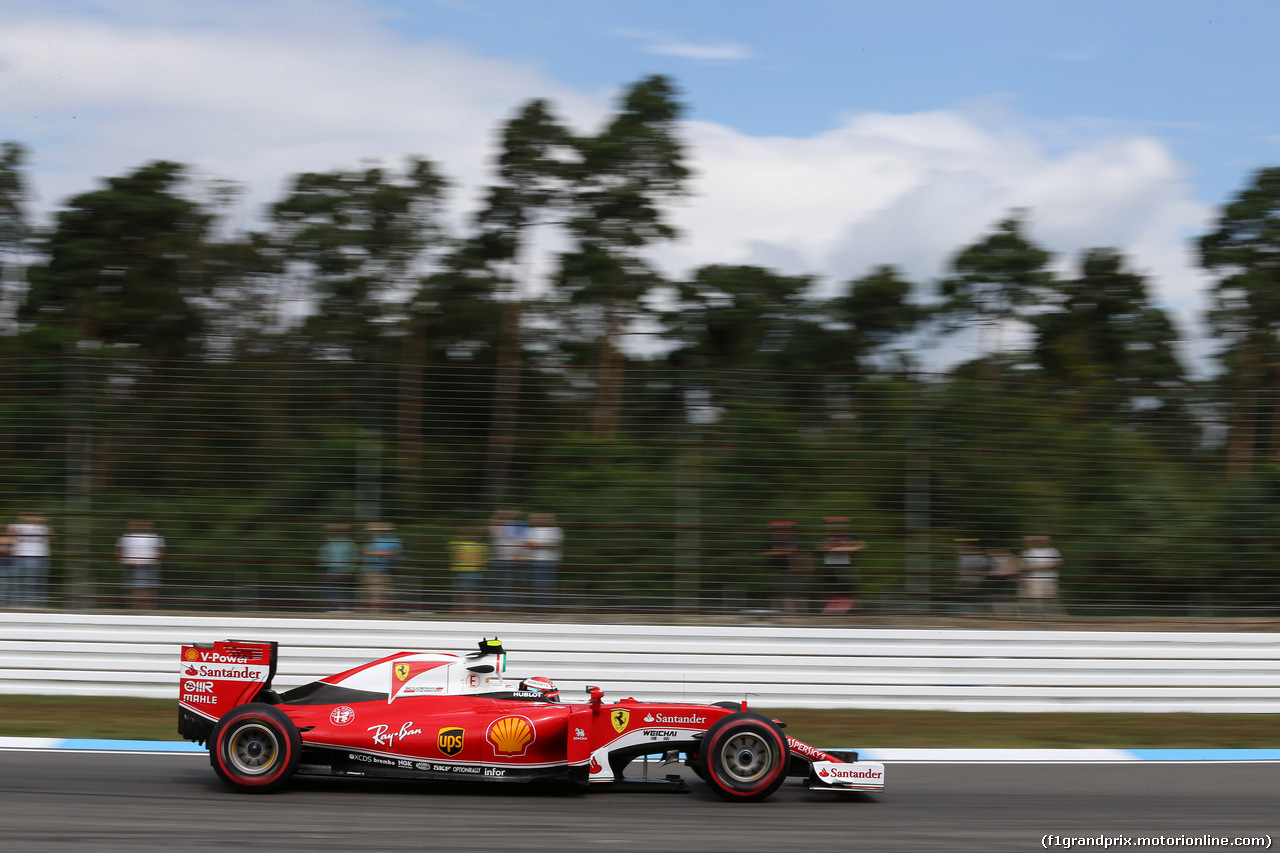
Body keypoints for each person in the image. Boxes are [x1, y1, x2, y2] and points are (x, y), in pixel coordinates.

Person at [816, 517, 866, 615]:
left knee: (845, 586)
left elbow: (862, 545)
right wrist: (841, 548)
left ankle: (850, 607)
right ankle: (834, 607)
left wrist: (846, 548)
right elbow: (821, 548)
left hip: (844, 565)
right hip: (830, 565)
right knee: (832, 587)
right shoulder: (826, 537)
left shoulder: (848, 537)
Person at [117, 519, 164, 610]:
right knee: (133, 588)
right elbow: (119, 551)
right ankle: (135, 608)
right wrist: (123, 561)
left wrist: (149, 562)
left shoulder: (156, 538)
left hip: (148, 566)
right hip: (130, 566)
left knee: (146, 588)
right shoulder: (125, 538)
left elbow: (160, 552)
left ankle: (147, 609)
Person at [8, 511, 51, 607]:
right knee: (18, 582)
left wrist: (43, 522)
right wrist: (21, 521)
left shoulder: (43, 528)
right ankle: (17, 604)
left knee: (35, 582)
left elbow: (52, 536)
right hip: (20, 556)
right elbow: (10, 534)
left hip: (39, 557)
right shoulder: (16, 526)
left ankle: (35, 605)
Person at [488, 510, 527, 611]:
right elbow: (492, 522)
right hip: (498, 560)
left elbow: (522, 542)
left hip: (514, 560)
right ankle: (499, 607)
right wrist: (498, 514)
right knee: (500, 584)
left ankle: (508, 607)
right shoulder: (496, 528)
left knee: (510, 584)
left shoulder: (519, 528)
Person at [764, 520, 805, 614]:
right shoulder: (775, 541)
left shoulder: (790, 540)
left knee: (788, 592)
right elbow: (768, 553)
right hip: (778, 569)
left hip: (789, 569)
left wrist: (777, 552)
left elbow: (792, 551)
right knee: (780, 591)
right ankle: (781, 611)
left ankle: (790, 612)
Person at [361, 521, 402, 614]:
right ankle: (384, 612)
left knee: (378, 593)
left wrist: (373, 553)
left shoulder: (381, 541)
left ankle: (376, 613)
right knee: (384, 592)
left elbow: (394, 553)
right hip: (380, 570)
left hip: (377, 570)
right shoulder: (393, 540)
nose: (371, 532)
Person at [1020, 534, 1065, 617]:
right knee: (1037, 597)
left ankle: (1055, 616)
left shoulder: (1052, 550)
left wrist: (1050, 566)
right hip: (1034, 579)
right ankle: (1040, 615)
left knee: (1050, 596)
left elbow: (1059, 562)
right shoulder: (1027, 552)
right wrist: (1035, 568)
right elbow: (1022, 567)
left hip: (1050, 578)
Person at [525, 513, 563, 610]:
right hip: (534, 561)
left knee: (546, 586)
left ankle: (546, 609)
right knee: (536, 586)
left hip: (549, 561)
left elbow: (553, 544)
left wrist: (537, 544)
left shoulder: (556, 530)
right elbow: (528, 544)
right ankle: (539, 609)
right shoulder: (532, 530)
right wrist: (543, 543)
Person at [317, 523, 357, 611]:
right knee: (332, 590)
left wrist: (349, 572)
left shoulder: (346, 543)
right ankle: (337, 609)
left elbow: (351, 558)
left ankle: (341, 609)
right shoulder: (331, 542)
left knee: (334, 589)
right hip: (330, 569)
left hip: (337, 569)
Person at [448, 527, 487, 613]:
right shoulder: (481, 546)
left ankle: (465, 609)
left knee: (467, 591)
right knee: (469, 591)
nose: (459, 536)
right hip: (471, 571)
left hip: (467, 571)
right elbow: (485, 558)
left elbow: (453, 555)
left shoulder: (455, 545)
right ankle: (467, 609)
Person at [984, 546, 1023, 617]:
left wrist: (1005, 573)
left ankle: (1014, 614)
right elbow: (987, 571)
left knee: (1008, 599)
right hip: (996, 582)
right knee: (996, 598)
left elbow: (1019, 568)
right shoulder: (990, 558)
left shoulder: (1013, 557)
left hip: (1010, 581)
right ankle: (999, 614)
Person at [953, 538, 989, 615]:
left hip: (973, 581)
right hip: (965, 580)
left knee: (972, 598)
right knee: (963, 598)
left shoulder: (980, 557)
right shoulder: (965, 556)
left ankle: (976, 614)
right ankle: (966, 613)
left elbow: (984, 568)